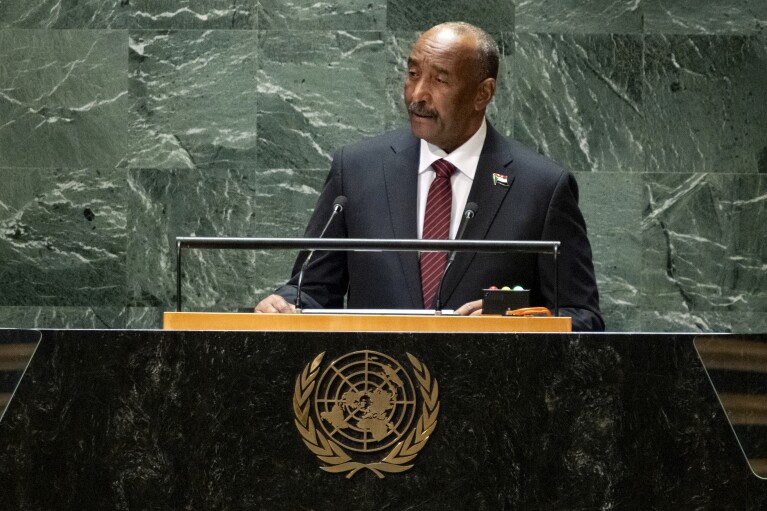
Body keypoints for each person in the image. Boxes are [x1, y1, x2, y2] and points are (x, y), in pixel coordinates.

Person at [255, 21, 604, 331]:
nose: (417, 95)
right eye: (412, 74)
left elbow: (583, 316)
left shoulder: (541, 187)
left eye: (440, 79)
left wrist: (518, 322)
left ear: (482, 94)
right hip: (383, 390)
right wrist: (284, 304)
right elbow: (311, 290)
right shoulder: (357, 170)